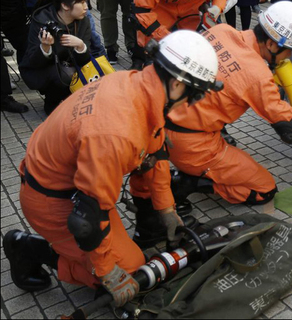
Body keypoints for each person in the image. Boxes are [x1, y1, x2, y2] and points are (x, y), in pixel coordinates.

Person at [3, 30, 220, 308]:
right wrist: (108, 272)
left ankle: (148, 227)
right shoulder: (115, 132)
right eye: (196, 94)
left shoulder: (138, 84)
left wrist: (166, 210)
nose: (193, 103)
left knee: (145, 168)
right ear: (177, 84)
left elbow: (155, 152)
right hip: (51, 199)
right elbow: (87, 221)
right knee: (131, 271)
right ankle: (28, 249)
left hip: (73, 182)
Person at [167, 1, 292, 208]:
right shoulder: (257, 76)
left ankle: (196, 163)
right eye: (291, 51)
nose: (290, 56)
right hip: (191, 144)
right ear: (272, 44)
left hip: (163, 121)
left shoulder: (222, 30)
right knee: (263, 189)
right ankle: (185, 182)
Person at [18, 0, 93, 115]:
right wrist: (45, 47)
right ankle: (52, 102)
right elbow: (32, 61)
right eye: (81, 3)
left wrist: (81, 46)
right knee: (62, 74)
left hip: (69, 67)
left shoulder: (83, 21)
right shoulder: (41, 21)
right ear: (64, 5)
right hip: (44, 70)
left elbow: (85, 61)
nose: (86, 7)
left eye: (86, 2)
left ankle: (70, 98)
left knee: (82, 73)